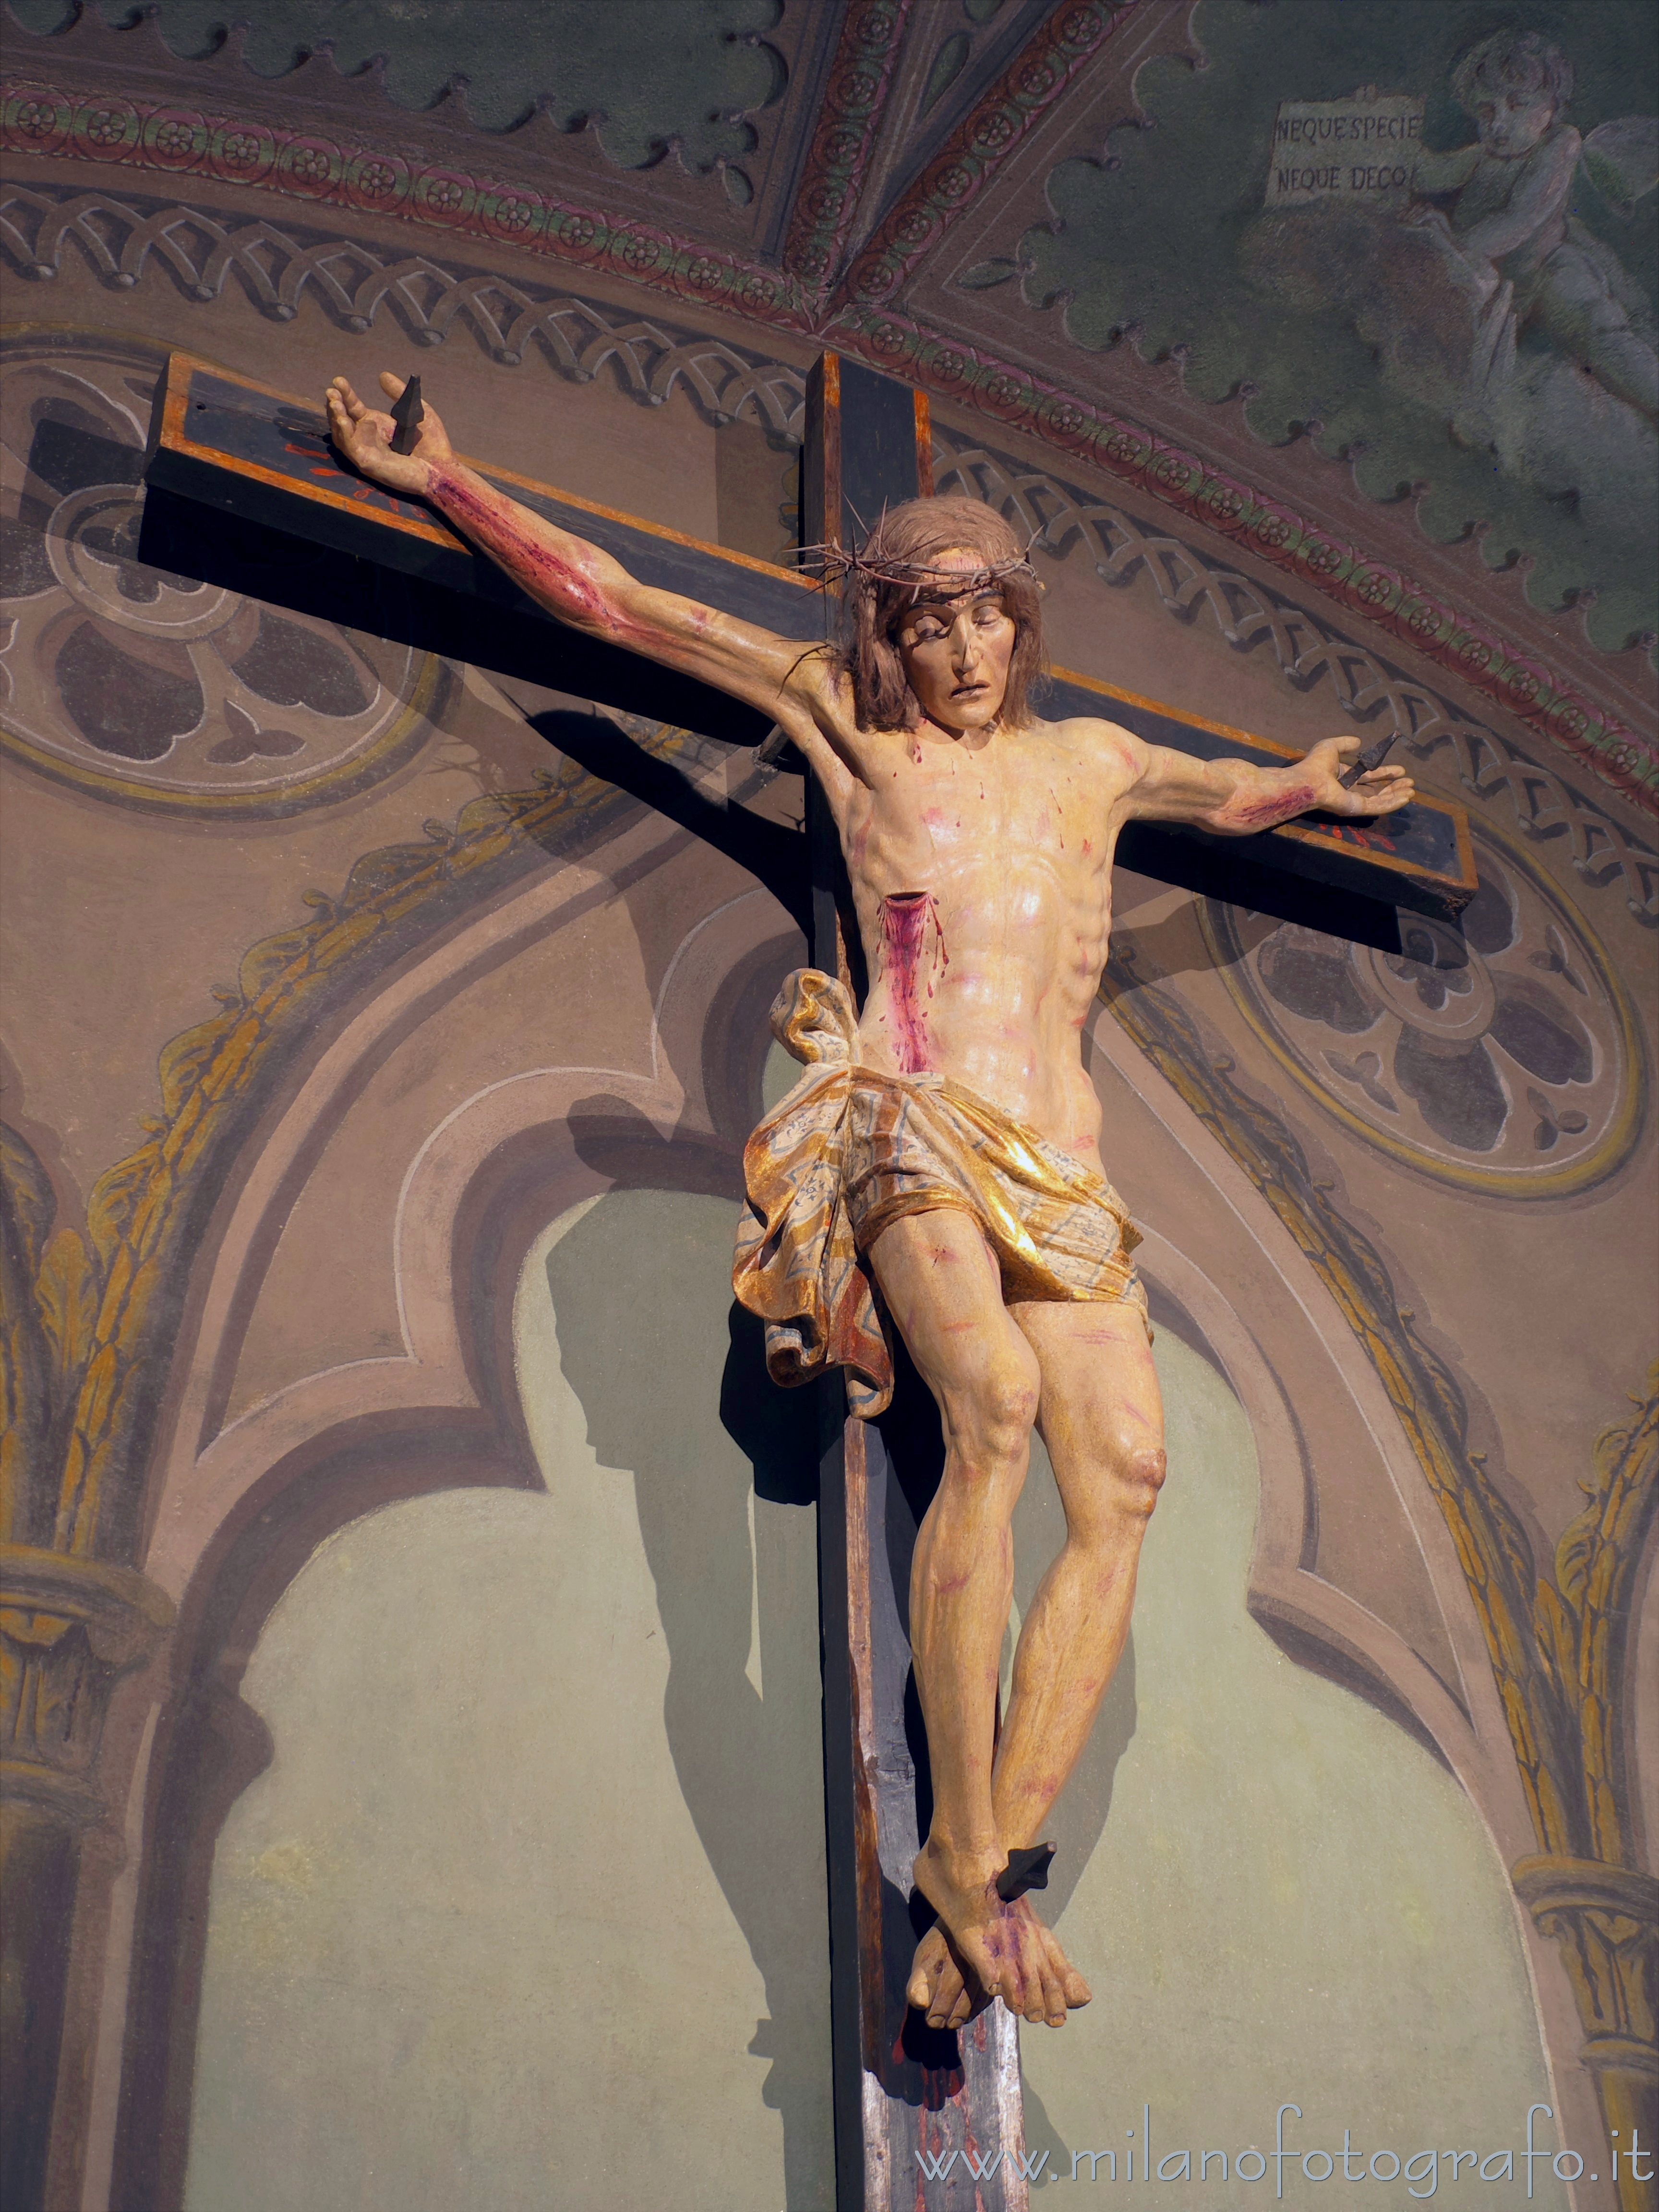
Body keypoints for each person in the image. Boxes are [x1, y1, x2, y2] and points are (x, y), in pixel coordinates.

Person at [325, 370, 1415, 2032]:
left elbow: (1230, 793)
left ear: (1018, 626)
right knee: (982, 1409)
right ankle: (967, 1865)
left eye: (985, 621)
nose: (962, 655)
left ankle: (981, 1865)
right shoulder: (845, 725)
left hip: (1068, 1162)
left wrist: (1305, 787)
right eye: (928, 626)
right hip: (911, 1120)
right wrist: (452, 485)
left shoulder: (1095, 762)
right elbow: (619, 606)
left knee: (1123, 1472)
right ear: (886, 636)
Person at [1406, 29, 1658, 421]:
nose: (1499, 124)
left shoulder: (1561, 144)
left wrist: (1455, 247)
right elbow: (1430, 173)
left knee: (1601, 333)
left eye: (1517, 105)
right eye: (1486, 112)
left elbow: (1519, 219)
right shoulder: (1483, 154)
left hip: (1545, 272)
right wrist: (1384, 142)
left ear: (1551, 107)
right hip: (1494, 280)